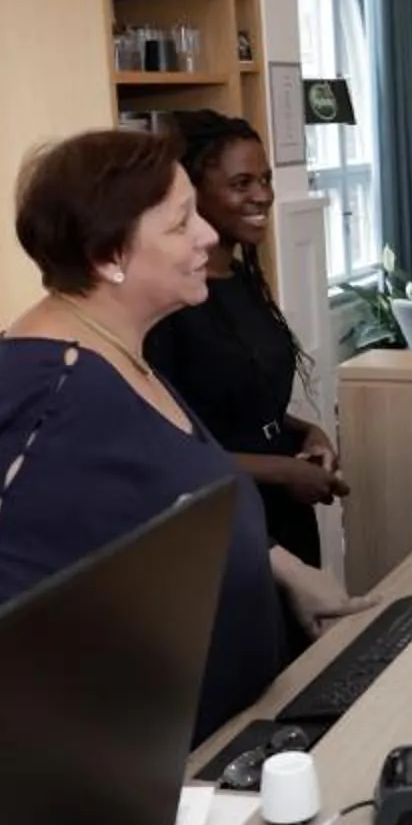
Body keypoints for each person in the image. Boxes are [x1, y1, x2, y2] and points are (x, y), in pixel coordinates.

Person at [0, 129, 368, 740]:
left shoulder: (118, 352)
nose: (207, 236)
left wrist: (283, 569)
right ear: (108, 256)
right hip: (156, 761)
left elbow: (179, 489)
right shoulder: (51, 402)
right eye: (180, 223)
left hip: (232, 728)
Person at [147, 110, 344, 568]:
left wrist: (306, 433)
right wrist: (282, 470)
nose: (263, 195)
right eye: (241, 184)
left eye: (266, 179)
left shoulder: (242, 277)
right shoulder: (173, 301)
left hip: (287, 510)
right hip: (225, 521)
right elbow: (170, 447)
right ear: (191, 195)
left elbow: (245, 401)